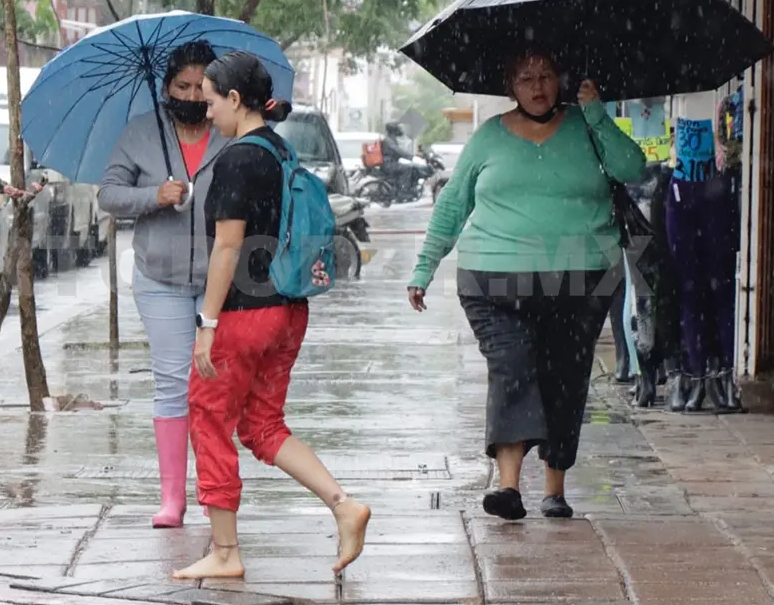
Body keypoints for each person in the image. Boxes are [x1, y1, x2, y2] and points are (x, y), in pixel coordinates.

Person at [407, 49, 646, 520]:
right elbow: (454, 203)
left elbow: (632, 168)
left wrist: (596, 112)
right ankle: (509, 487)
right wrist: (424, 267)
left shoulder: (587, 127)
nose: (537, 87)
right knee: (512, 366)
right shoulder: (488, 139)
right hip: (493, 279)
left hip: (580, 278)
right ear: (509, 86)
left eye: (545, 76)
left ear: (562, 79)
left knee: (566, 376)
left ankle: (554, 488)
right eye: (525, 78)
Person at [172, 51, 370, 580]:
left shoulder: (239, 159)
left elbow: (228, 250)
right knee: (261, 425)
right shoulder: (281, 151)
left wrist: (207, 325)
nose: (204, 110)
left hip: (243, 315)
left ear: (235, 100)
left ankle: (225, 552)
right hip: (287, 310)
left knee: (208, 416)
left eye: (210, 100)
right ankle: (343, 505)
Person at [98, 40, 232, 528]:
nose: (194, 95)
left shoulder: (229, 129)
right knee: (175, 384)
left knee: (215, 386)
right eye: (183, 85)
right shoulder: (140, 134)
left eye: (203, 87)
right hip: (160, 279)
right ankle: (172, 498)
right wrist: (152, 196)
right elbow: (108, 195)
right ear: (166, 86)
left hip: (223, 281)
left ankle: (214, 487)